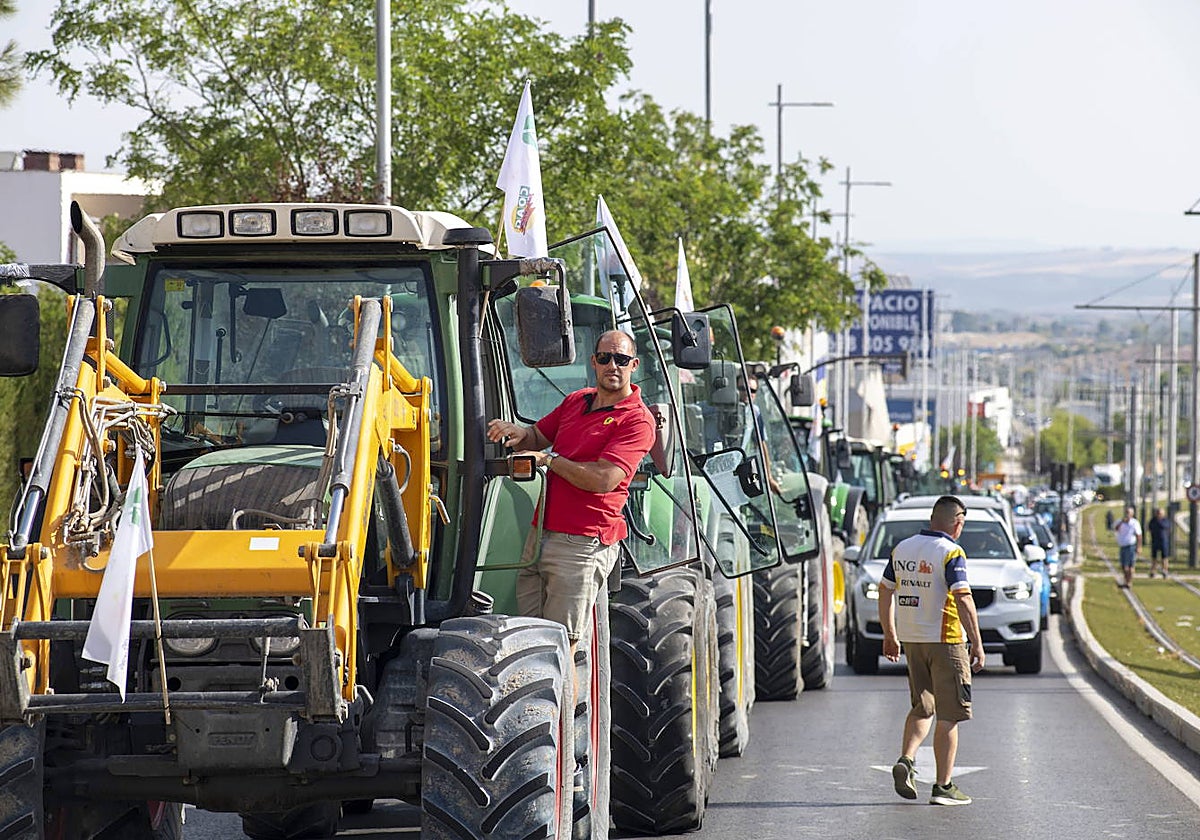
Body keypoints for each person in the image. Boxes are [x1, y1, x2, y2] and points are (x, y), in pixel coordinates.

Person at [485, 328, 655, 680]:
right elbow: (537, 436)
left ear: (634, 365)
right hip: (541, 533)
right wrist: (516, 432)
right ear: (593, 362)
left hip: (582, 544)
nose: (613, 365)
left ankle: (562, 732)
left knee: (560, 652)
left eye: (621, 359)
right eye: (605, 357)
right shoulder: (576, 401)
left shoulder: (637, 420)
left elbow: (604, 479)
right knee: (528, 643)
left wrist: (549, 461)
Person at [879, 495, 984, 806]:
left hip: (912, 640)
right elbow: (963, 598)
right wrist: (977, 642)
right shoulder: (951, 552)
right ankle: (943, 786)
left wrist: (890, 634)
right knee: (950, 714)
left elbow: (885, 592)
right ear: (958, 521)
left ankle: (907, 759)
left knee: (922, 707)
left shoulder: (903, 548)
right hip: (946, 640)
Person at [1113, 506, 1141, 588]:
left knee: (1130, 566)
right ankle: (1126, 581)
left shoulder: (1135, 523)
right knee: (1123, 566)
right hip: (1122, 546)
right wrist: (1122, 522)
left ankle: (1129, 582)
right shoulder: (1120, 522)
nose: (1127, 514)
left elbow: (1139, 535)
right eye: (1126, 513)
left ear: (1132, 514)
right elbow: (1116, 529)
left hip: (1131, 546)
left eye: (1129, 513)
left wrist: (1139, 547)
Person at [1148, 507, 1170, 579]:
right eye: (1157, 513)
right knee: (1154, 557)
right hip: (1155, 540)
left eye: (1160, 513)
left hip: (1163, 541)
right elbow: (1150, 527)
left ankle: (1165, 571)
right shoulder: (1153, 520)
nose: (1158, 515)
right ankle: (1153, 571)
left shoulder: (1165, 520)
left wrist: (1159, 521)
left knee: (1164, 557)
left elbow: (1166, 526)